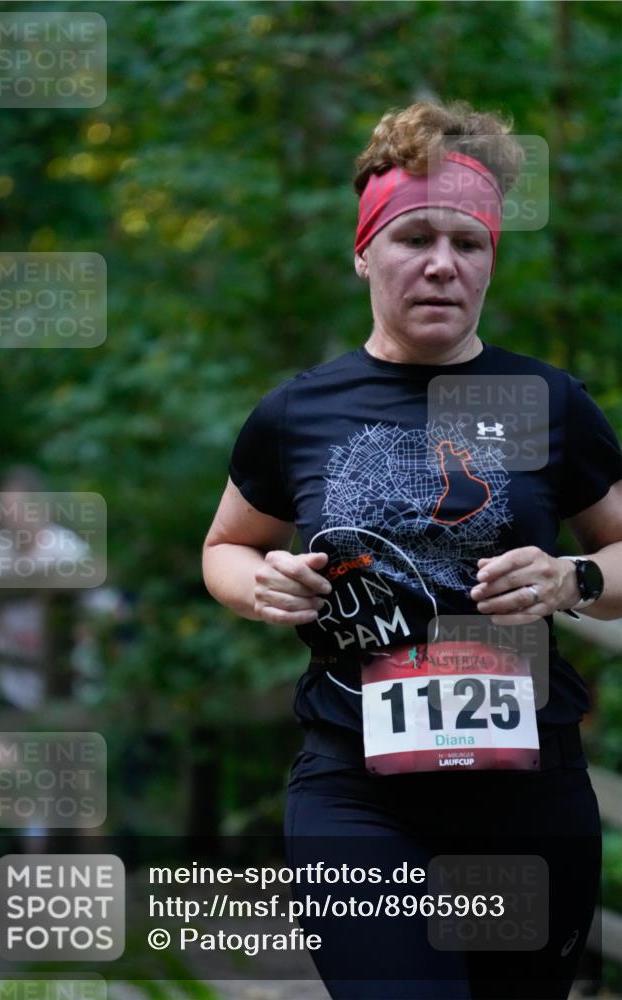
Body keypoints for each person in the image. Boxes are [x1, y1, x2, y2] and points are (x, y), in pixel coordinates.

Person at [202, 100, 622, 999]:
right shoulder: (297, 413)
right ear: (363, 252)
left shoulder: (545, 402)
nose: (440, 264)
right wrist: (260, 584)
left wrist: (573, 575)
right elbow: (225, 550)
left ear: (490, 262)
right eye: (412, 238)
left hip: (524, 792)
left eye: (468, 244)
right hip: (355, 788)